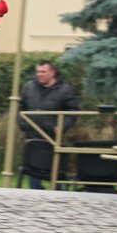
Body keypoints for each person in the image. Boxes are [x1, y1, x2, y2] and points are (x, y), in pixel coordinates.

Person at [19, 61, 79, 189]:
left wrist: (62, 127)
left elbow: (73, 112)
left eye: (43, 72)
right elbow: (20, 108)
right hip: (32, 138)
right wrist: (23, 124)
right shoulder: (28, 87)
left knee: (56, 174)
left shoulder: (65, 90)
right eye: (37, 72)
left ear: (52, 72)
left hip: (53, 139)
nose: (39, 75)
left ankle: (58, 197)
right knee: (33, 174)